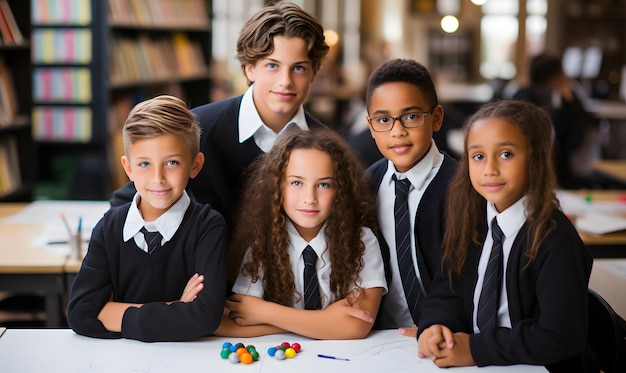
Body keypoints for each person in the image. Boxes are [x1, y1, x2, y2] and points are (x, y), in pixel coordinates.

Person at [110, 2, 329, 229]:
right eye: (272, 66)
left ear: (314, 73)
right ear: (249, 68)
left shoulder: (327, 146)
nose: (285, 81)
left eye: (299, 68)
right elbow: (125, 206)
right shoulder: (197, 129)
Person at [417, 100, 596, 371]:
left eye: (506, 154)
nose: (490, 169)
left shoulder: (555, 240)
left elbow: (561, 336)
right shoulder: (471, 219)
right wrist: (435, 325)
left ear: (535, 157)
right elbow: (448, 289)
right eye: (478, 156)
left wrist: (475, 350)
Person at [67, 95, 228, 342]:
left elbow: (205, 316)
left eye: (172, 162)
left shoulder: (208, 226)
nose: (158, 178)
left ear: (195, 165)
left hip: (188, 361)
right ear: (128, 168)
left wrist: (113, 312)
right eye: (144, 164)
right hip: (120, 361)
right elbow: (80, 313)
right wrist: (175, 307)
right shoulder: (109, 227)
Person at [213, 127, 387, 339]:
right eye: (296, 183)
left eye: (323, 184)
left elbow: (357, 326)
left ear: (341, 190)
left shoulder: (362, 240)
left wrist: (265, 312)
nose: (310, 198)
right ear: (277, 186)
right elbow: (237, 321)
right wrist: (328, 322)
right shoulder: (261, 243)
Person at [364, 59, 458, 333]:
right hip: (383, 340)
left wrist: (437, 325)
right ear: (370, 126)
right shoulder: (366, 186)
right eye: (383, 120)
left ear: (436, 118)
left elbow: (467, 277)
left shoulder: (463, 188)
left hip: (449, 332)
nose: (397, 131)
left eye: (411, 116)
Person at [512, 53, 601, 189]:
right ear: (553, 76)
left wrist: (568, 97)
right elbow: (580, 127)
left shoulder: (559, 94)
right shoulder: (527, 98)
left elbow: (585, 124)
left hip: (560, 167)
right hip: (546, 169)